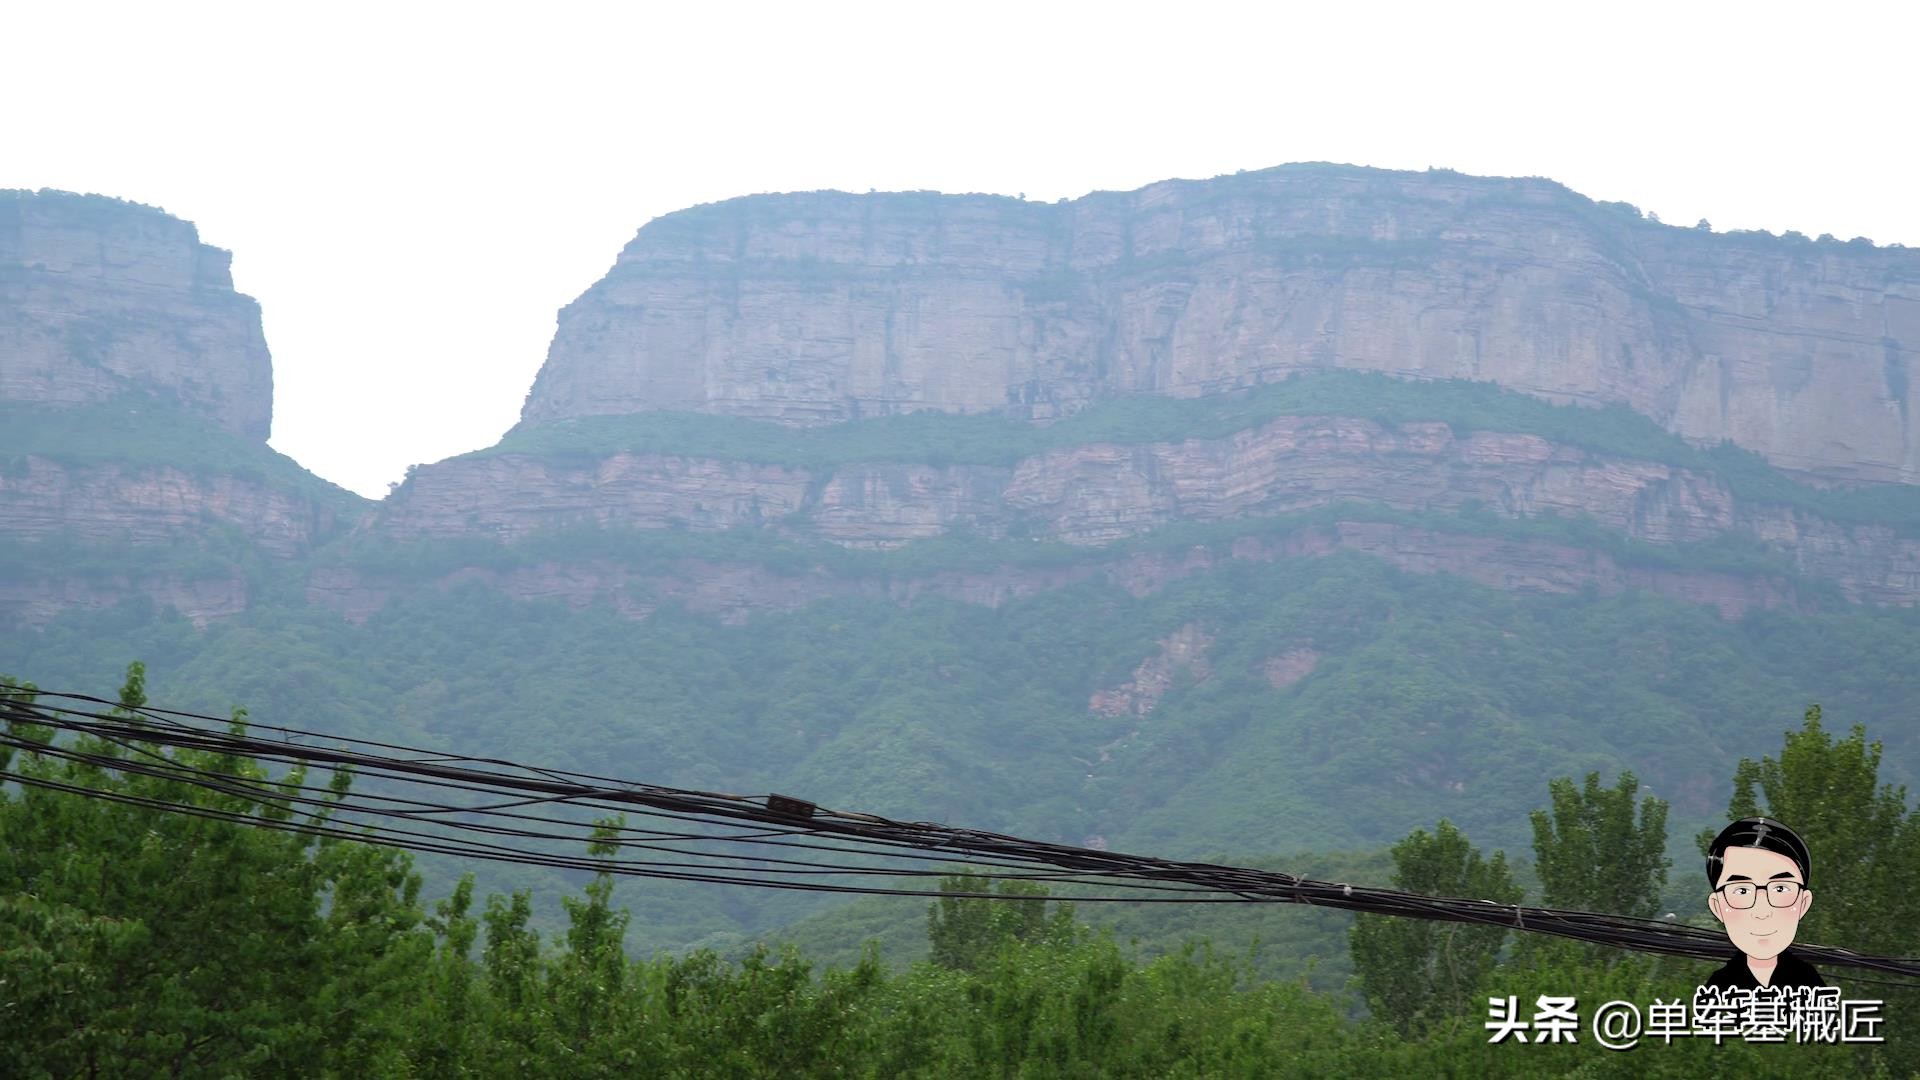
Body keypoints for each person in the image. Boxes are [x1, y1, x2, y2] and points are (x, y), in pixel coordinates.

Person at [1701, 817, 1824, 989]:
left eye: (1780, 889)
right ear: (1717, 906)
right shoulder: (1717, 988)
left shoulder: (1811, 985)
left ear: (1803, 903)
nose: (1762, 911)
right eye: (1742, 891)